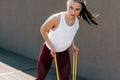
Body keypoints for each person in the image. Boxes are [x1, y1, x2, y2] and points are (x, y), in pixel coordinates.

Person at [36, 0, 98, 80]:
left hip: (63, 52)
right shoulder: (56, 18)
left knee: (65, 78)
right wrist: (51, 46)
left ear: (81, 9)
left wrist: (72, 45)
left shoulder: (78, 20)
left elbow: (70, 34)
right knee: (40, 78)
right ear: (67, 5)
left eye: (77, 9)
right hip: (48, 51)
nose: (73, 12)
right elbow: (42, 30)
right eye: (71, 8)